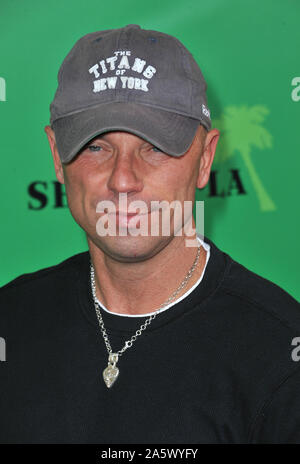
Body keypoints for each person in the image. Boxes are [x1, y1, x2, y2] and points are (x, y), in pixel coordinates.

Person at [0, 24, 300, 445]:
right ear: (56, 156)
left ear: (205, 158)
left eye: (155, 146)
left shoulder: (280, 353)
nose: (123, 180)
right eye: (96, 146)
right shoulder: (11, 322)